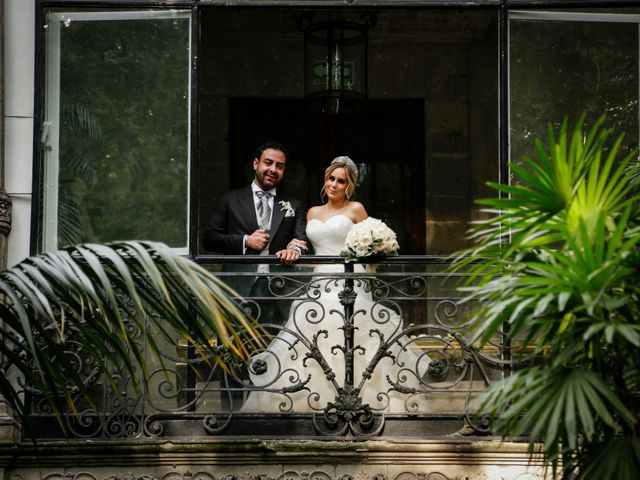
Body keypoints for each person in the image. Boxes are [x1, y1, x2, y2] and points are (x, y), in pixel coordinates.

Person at [241, 156, 430, 414]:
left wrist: (373, 251)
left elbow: (374, 242)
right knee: (314, 331)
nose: (334, 184)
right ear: (325, 179)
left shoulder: (356, 209)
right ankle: (313, 400)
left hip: (351, 279)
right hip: (319, 281)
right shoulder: (311, 213)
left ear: (348, 186)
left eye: (341, 181)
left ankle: (363, 400)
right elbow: (302, 243)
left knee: (355, 333)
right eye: (331, 178)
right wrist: (293, 246)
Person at [203, 141, 309, 325]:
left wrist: (296, 250)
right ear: (255, 164)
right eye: (268, 163)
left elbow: (302, 240)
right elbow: (209, 238)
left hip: (279, 291)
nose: (273, 169)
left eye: (280, 166)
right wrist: (245, 241)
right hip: (238, 290)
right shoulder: (231, 199)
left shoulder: (294, 204)